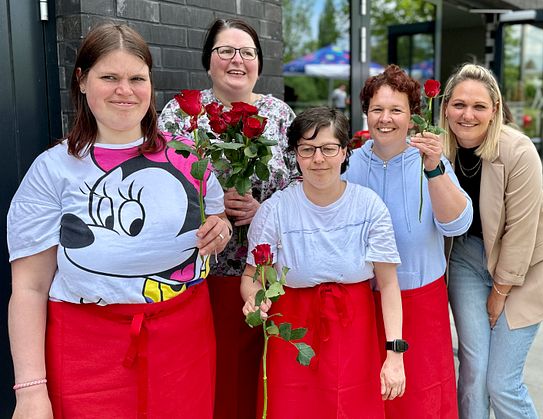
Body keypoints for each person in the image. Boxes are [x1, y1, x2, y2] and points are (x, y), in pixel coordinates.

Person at [7, 23, 230, 418]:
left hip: (184, 342)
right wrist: (30, 391)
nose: (124, 90)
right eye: (109, 77)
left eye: (136, 78)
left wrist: (222, 228)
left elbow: (216, 219)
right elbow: (29, 286)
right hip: (86, 348)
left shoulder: (189, 159)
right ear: (81, 81)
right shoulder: (52, 170)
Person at [157, 18, 297, 417]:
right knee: (206, 374)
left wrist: (263, 210)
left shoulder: (280, 115)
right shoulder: (181, 116)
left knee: (259, 377)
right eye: (226, 51)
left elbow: (306, 181)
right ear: (208, 60)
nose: (238, 60)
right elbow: (162, 180)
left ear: (259, 62)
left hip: (263, 272)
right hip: (199, 272)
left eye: (248, 53)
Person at [240, 107, 405, 418]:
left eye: (329, 148)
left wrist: (394, 354)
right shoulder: (274, 211)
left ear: (344, 152)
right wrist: (253, 300)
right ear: (296, 154)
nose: (318, 159)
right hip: (291, 331)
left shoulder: (368, 207)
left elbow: (388, 283)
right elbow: (252, 276)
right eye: (307, 149)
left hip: (355, 330)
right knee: (291, 407)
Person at [439, 63, 543, 419]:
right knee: (474, 373)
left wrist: (499, 292)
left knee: (502, 382)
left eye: (479, 106)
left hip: (525, 266)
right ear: (445, 107)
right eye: (459, 104)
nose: (467, 115)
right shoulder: (438, 149)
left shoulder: (518, 150)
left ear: (495, 109)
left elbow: (521, 230)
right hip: (467, 260)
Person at [345, 64, 472, 418]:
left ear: (412, 116)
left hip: (419, 302)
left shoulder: (428, 160)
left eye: (396, 110)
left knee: (420, 400)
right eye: (377, 109)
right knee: (365, 398)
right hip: (361, 303)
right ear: (366, 113)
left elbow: (457, 224)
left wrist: (434, 169)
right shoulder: (349, 164)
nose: (385, 119)